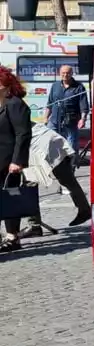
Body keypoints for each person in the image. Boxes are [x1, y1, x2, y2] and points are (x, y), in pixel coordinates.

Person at [0, 65, 34, 253]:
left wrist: (18, 161)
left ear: (4, 84)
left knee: (9, 199)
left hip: (9, 162)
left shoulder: (15, 104)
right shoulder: (1, 102)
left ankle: (13, 237)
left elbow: (23, 134)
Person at [46, 64, 89, 152]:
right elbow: (50, 103)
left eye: (68, 73)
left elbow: (83, 105)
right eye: (63, 73)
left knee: (71, 145)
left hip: (71, 121)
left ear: (72, 73)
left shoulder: (79, 87)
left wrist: (83, 119)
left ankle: (72, 163)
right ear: (59, 73)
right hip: (54, 121)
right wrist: (46, 117)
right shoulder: (55, 86)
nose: (65, 75)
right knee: (49, 141)